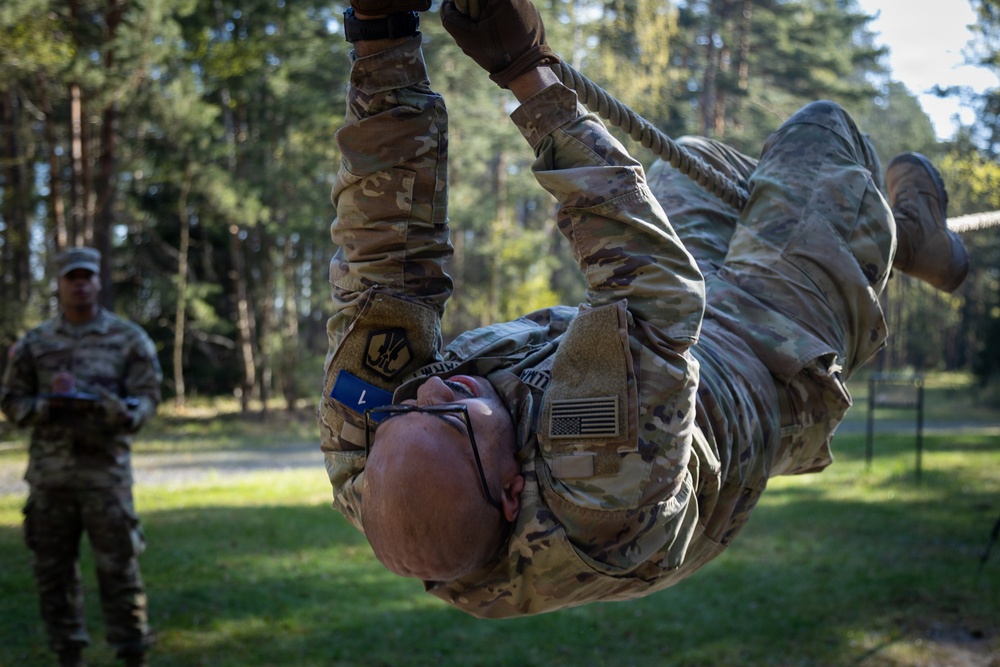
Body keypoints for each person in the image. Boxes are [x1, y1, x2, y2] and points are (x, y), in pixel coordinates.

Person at [319, 0, 969, 619]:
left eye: (410, 406)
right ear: (512, 489)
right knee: (821, 135)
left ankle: (859, 231)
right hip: (769, 354)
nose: (430, 385)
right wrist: (529, 76)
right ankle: (906, 234)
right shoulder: (594, 481)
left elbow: (383, 255)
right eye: (454, 412)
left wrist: (383, 38)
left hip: (678, 336)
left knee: (693, 165)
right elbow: (650, 291)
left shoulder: (375, 462)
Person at [1, 247, 162, 667]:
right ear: (60, 283)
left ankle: (132, 654)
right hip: (51, 480)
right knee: (53, 574)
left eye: (86, 276)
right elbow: (12, 401)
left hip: (105, 479)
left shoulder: (128, 339)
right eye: (71, 276)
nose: (79, 284)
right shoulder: (36, 343)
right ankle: (68, 654)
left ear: (97, 282)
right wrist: (47, 407)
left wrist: (123, 413)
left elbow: (147, 397)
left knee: (120, 572)